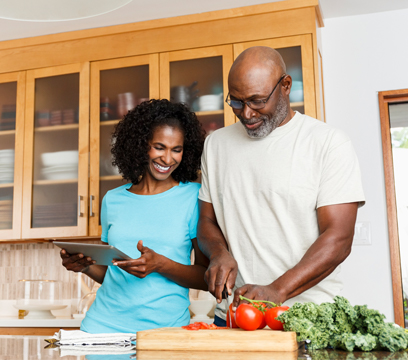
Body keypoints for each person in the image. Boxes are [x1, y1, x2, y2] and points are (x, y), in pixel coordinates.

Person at [196, 46, 365, 326]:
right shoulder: (216, 144)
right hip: (236, 316)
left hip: (308, 316)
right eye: (236, 102)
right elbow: (207, 220)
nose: (247, 114)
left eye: (257, 101)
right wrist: (218, 253)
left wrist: (277, 290)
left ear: (285, 86)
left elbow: (339, 238)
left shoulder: (328, 143)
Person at [60, 99, 209, 333]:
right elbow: (113, 271)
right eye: (159, 147)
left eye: (176, 150)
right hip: (102, 327)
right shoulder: (113, 199)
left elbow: (205, 277)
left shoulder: (193, 197)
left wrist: (160, 265)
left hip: (164, 332)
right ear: (141, 145)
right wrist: (85, 266)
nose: (168, 159)